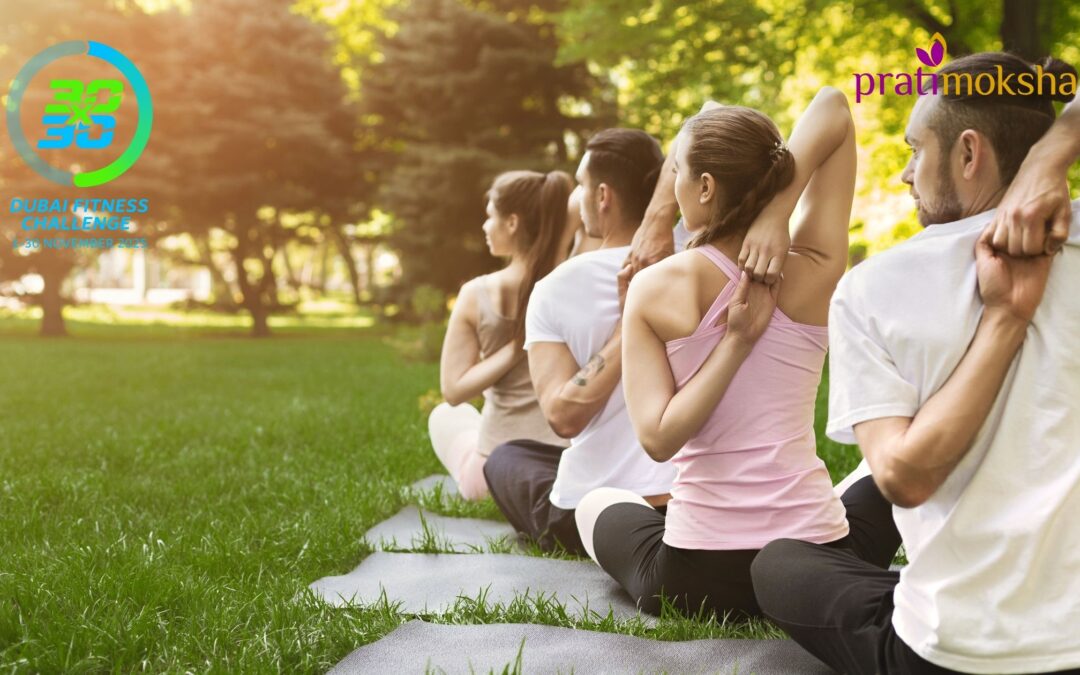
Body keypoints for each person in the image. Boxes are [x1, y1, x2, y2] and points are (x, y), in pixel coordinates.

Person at [751, 52, 1080, 674]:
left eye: (913, 149)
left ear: (968, 153)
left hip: (960, 656)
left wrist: (1005, 318)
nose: (904, 174)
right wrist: (1057, 148)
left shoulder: (873, 288)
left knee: (781, 563)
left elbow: (905, 478)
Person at [572, 88, 900, 618]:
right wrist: (780, 212)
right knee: (880, 472)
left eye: (677, 171)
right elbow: (835, 107)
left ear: (704, 186)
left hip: (696, 577)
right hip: (820, 559)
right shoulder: (812, 266)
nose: (673, 187)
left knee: (598, 504)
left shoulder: (653, 288)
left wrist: (734, 344)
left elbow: (657, 440)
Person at [483, 129, 678, 555]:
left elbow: (562, 416)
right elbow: (709, 117)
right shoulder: (700, 256)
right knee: (530, 453)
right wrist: (663, 214)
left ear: (603, 196)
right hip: (690, 501)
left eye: (581, 186)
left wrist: (630, 326)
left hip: (595, 513)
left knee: (505, 459)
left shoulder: (556, 287)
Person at [428, 170, 573, 500]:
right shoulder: (570, 282)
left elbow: (453, 391)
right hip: (562, 467)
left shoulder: (475, 294)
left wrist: (512, 348)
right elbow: (576, 204)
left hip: (492, 476)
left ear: (512, 223)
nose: (484, 226)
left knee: (445, 415)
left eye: (490, 215)